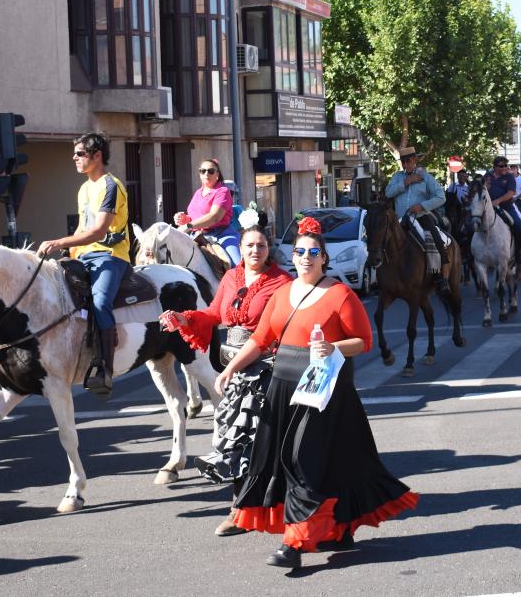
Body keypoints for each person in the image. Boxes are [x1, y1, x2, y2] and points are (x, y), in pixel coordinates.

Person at [214, 217, 418, 569]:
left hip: (322, 391)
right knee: (304, 462)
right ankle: (336, 528)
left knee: (301, 461)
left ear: (324, 258)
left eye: (313, 252)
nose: (306, 257)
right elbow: (261, 340)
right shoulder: (281, 294)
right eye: (300, 251)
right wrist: (231, 368)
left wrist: (334, 349)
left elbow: (363, 341)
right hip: (283, 387)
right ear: (292, 256)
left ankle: (295, 543)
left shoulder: (340, 294)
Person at [159, 225, 292, 536]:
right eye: (249, 245)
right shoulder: (232, 278)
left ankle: (273, 509)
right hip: (235, 368)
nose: (255, 251)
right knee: (234, 441)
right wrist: (184, 318)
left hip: (267, 369)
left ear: (268, 248)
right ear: (242, 248)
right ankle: (240, 511)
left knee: (265, 443)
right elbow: (215, 313)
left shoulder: (282, 283)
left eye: (260, 245)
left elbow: (279, 331)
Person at [38, 133, 130, 398]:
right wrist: (68, 254)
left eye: (80, 154)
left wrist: (58, 241)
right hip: (85, 256)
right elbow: (82, 227)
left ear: (97, 155)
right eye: (75, 154)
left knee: (100, 302)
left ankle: (105, 368)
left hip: (111, 257)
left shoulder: (110, 186)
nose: (74, 159)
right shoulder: (84, 188)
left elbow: (99, 231)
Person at [384, 147, 449, 289]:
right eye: (403, 162)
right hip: (400, 220)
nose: (405, 164)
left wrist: (422, 206)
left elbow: (441, 197)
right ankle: (385, 274)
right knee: (384, 241)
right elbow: (388, 193)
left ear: (415, 160)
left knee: (435, 239)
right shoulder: (397, 177)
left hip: (421, 216)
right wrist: (406, 182)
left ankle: (441, 277)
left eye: (408, 161)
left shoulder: (427, 178)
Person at [174, 159, 241, 267]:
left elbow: (214, 217)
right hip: (197, 236)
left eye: (210, 171)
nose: (206, 173)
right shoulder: (198, 192)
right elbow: (195, 216)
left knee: (237, 267)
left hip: (221, 236)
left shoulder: (222, 191)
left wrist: (189, 225)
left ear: (217, 174)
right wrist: (185, 219)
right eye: (203, 171)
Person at [485, 156, 521, 266]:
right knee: (473, 223)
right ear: (494, 167)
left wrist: (498, 201)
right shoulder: (488, 176)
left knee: (518, 225)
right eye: (501, 166)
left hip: (506, 207)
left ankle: (518, 254)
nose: (504, 168)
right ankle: (470, 253)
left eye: (505, 166)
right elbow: (482, 190)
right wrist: (485, 187)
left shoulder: (509, 177)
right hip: (489, 208)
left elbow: (511, 193)